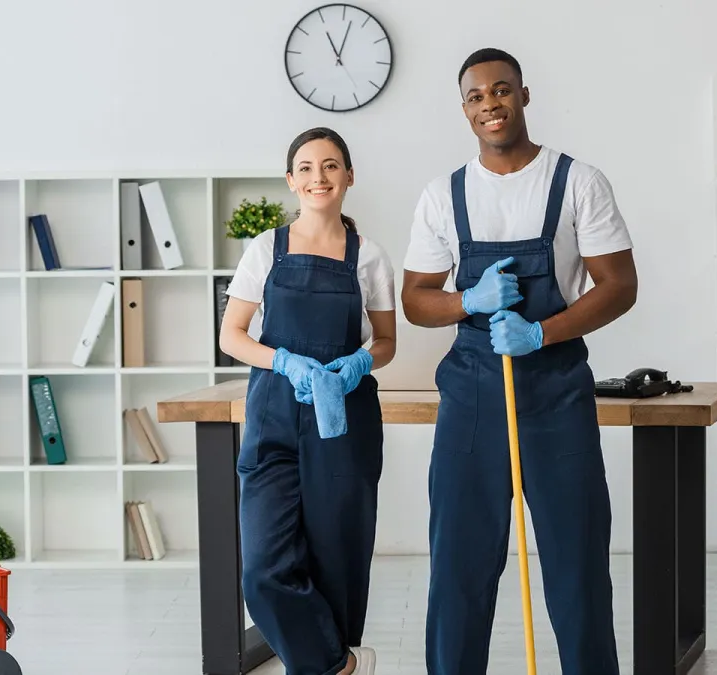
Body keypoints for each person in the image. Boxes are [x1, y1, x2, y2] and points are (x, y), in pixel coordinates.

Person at [401, 48, 638, 674]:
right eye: (477, 97)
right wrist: (466, 301)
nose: (491, 104)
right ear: (464, 110)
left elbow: (619, 285)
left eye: (501, 91)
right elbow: (415, 302)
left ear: (524, 96)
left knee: (577, 561)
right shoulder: (443, 195)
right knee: (458, 562)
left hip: (556, 394)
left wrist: (541, 333)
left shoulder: (578, 181)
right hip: (472, 399)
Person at [218, 126, 398, 675]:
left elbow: (386, 341)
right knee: (263, 569)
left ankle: (325, 663)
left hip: (343, 419)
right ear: (291, 180)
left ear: (348, 176)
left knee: (337, 561)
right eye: (306, 167)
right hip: (274, 413)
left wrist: (360, 363)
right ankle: (336, 664)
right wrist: (284, 360)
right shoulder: (265, 247)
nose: (318, 176)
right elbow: (232, 335)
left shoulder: (368, 255)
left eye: (330, 165)